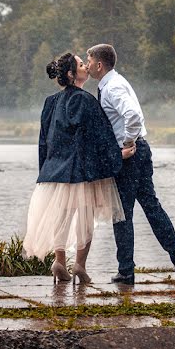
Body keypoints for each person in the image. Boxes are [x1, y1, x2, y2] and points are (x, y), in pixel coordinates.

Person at [86, 43, 175, 285]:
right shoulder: (115, 82)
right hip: (141, 150)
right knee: (151, 206)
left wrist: (126, 143)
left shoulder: (111, 87)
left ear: (99, 65)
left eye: (88, 60)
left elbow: (132, 114)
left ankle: (126, 270)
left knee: (121, 213)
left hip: (131, 155)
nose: (87, 64)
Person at [23, 52, 127, 284]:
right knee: (85, 217)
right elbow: (101, 135)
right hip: (83, 169)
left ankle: (59, 261)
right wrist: (117, 155)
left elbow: (44, 140)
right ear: (72, 74)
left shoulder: (50, 102)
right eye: (81, 65)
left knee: (62, 215)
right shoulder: (87, 100)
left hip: (56, 169)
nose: (86, 67)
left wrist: (45, 170)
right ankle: (80, 265)